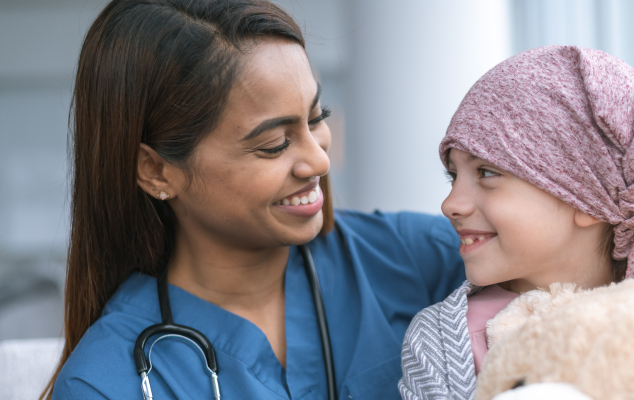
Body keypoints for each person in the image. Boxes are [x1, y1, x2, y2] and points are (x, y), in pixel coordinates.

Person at [42, 1, 465, 399]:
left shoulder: (422, 257)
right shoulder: (103, 383)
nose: (319, 160)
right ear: (156, 171)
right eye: (274, 144)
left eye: (318, 118)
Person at [398, 45, 634, 399]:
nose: (450, 204)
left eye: (486, 172)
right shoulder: (441, 343)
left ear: (589, 197)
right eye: (452, 176)